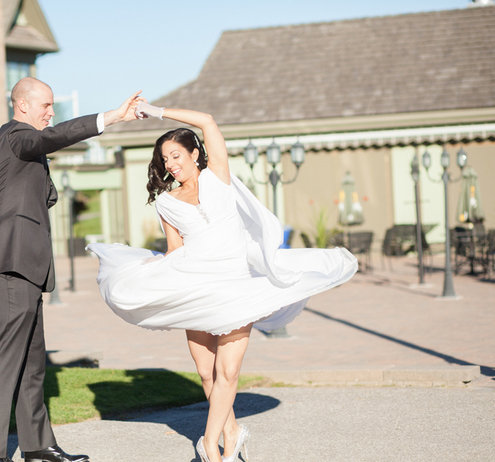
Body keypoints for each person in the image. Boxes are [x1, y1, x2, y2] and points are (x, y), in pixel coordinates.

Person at [87, 102, 358, 462]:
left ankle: (208, 446)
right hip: (193, 285)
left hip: (235, 286)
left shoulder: (218, 175)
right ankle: (233, 435)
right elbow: (174, 250)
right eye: (165, 159)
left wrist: (156, 110)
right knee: (205, 372)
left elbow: (208, 121)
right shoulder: (166, 202)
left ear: (195, 153)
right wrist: (151, 278)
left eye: (176, 155)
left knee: (227, 371)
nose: (170, 164)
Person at [0, 77, 141, 462]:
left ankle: (37, 446)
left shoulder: (26, 152)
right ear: (22, 106)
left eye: (52, 105)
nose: (51, 112)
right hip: (7, 264)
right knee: (7, 359)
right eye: (45, 105)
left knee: (32, 362)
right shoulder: (14, 135)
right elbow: (49, 138)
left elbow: (41, 192)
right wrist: (111, 117)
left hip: (25, 267)